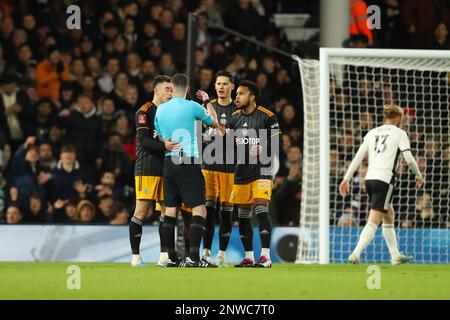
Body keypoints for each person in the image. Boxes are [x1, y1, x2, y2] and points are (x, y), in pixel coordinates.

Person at [339, 104, 424, 265]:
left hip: (369, 180)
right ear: (398, 118)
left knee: (389, 214)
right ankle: (355, 254)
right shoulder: (400, 133)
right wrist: (419, 175)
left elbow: (358, 157)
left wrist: (347, 178)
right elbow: (409, 159)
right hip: (384, 180)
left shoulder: (372, 133)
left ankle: (395, 255)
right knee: (374, 219)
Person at [154, 73, 224, 267]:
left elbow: (160, 135)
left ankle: (170, 258)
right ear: (187, 88)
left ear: (171, 88)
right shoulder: (192, 106)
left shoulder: (160, 110)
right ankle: (194, 258)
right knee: (199, 209)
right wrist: (208, 101)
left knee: (170, 210)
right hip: (187, 160)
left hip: (169, 162)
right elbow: (214, 124)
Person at [228, 80, 280, 268]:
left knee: (260, 209)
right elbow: (228, 144)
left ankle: (265, 257)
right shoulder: (234, 118)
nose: (237, 97)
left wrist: (264, 146)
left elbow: (278, 144)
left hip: (262, 171)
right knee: (243, 215)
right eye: (237, 94)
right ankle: (249, 257)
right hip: (241, 172)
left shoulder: (268, 117)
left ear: (252, 97)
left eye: (241, 94)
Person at [128, 75, 179, 267]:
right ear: (156, 90)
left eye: (172, 89)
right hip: (147, 168)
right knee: (141, 211)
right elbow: (143, 141)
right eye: (167, 89)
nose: (170, 93)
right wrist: (165, 146)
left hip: (166, 168)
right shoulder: (144, 111)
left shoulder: (170, 113)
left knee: (166, 212)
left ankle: (164, 256)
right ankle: (135, 257)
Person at [196, 70, 236, 267]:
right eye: (218, 83)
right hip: (208, 167)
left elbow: (228, 135)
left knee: (226, 213)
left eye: (224, 83)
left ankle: (221, 254)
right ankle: (206, 252)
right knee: (209, 212)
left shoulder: (237, 110)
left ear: (232, 87)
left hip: (230, 169)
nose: (220, 86)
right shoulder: (205, 108)